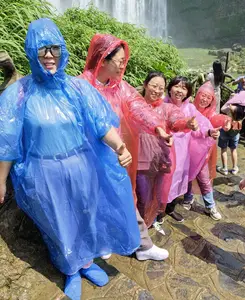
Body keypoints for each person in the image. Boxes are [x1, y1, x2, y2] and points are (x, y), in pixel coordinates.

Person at [0, 18, 141, 300]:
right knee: (58, 223)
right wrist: (1, 181)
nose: (49, 56)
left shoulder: (77, 88)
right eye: (42, 50)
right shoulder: (19, 93)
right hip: (44, 172)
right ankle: (71, 269)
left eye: (54, 48)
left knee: (87, 215)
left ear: (62, 50)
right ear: (31, 52)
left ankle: (87, 262)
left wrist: (120, 147)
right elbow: (7, 142)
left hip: (82, 166)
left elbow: (101, 124)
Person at [79, 34, 197, 261]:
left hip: (116, 154)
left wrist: (158, 128)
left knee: (124, 197)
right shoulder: (81, 85)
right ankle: (103, 241)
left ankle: (143, 244)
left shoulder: (120, 87)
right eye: (120, 60)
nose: (124, 64)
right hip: (90, 155)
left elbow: (139, 108)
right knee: (93, 199)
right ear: (103, 58)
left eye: (125, 60)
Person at [136, 71, 198, 231]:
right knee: (142, 196)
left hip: (160, 160)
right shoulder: (134, 104)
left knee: (156, 195)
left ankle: (148, 224)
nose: (157, 91)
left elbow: (175, 120)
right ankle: (141, 230)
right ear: (145, 84)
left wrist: (186, 123)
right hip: (138, 160)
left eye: (160, 88)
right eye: (154, 86)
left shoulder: (167, 107)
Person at [164, 77, 220, 221]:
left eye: (184, 88)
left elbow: (201, 126)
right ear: (169, 88)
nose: (179, 91)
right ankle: (157, 213)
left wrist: (209, 132)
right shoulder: (162, 104)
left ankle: (169, 209)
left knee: (180, 179)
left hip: (185, 151)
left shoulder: (189, 108)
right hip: (164, 149)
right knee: (162, 180)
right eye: (177, 86)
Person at [217, 91, 245, 175]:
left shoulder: (230, 108)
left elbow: (222, 109)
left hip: (225, 131)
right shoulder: (243, 110)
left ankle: (224, 169)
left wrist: (231, 99)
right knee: (233, 150)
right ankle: (234, 168)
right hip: (235, 132)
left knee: (223, 149)